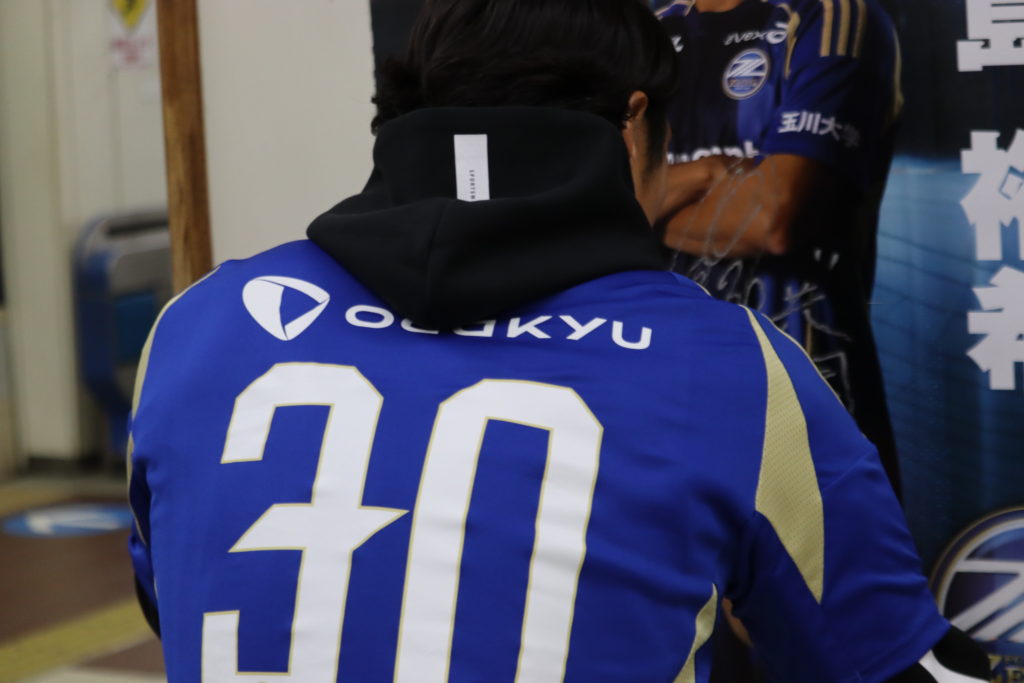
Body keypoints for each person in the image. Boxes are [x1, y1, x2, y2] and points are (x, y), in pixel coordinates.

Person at [127, 0, 987, 680]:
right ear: (632, 128)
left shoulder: (198, 327)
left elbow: (179, 595)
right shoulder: (731, 365)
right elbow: (888, 663)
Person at [656, 0, 904, 497]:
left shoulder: (831, 17)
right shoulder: (646, 32)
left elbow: (773, 218)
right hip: (663, 388)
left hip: (806, 391)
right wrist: (708, 174)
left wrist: (641, 205)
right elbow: (596, 201)